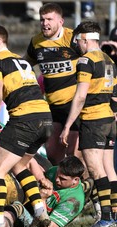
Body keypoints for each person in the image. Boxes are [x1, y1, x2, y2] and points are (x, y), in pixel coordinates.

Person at [0, 24, 53, 227]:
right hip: (45, 119)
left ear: (0, 41)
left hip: (25, 119)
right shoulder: (22, 61)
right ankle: (40, 213)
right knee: (20, 165)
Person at [60, 21, 117, 227]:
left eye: (77, 40)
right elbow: (116, 95)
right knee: (109, 168)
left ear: (84, 39)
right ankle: (115, 215)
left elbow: (81, 96)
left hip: (93, 120)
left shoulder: (85, 61)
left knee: (95, 169)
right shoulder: (109, 59)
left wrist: (67, 126)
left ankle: (106, 218)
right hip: (109, 120)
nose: (76, 44)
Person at [24, 3, 81, 166]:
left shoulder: (73, 39)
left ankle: (83, 189)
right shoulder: (36, 42)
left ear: (61, 21)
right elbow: (25, 64)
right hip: (53, 106)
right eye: (42, 19)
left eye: (49, 19)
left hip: (74, 105)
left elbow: (97, 61)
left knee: (74, 157)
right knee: (53, 156)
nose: (45, 23)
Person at [4, 155, 86, 227]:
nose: (57, 179)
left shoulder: (74, 201)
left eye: (62, 179)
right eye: (57, 174)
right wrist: (42, 178)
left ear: (75, 180)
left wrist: (42, 199)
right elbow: (30, 162)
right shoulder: (55, 171)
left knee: (17, 208)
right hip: (29, 205)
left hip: (38, 223)